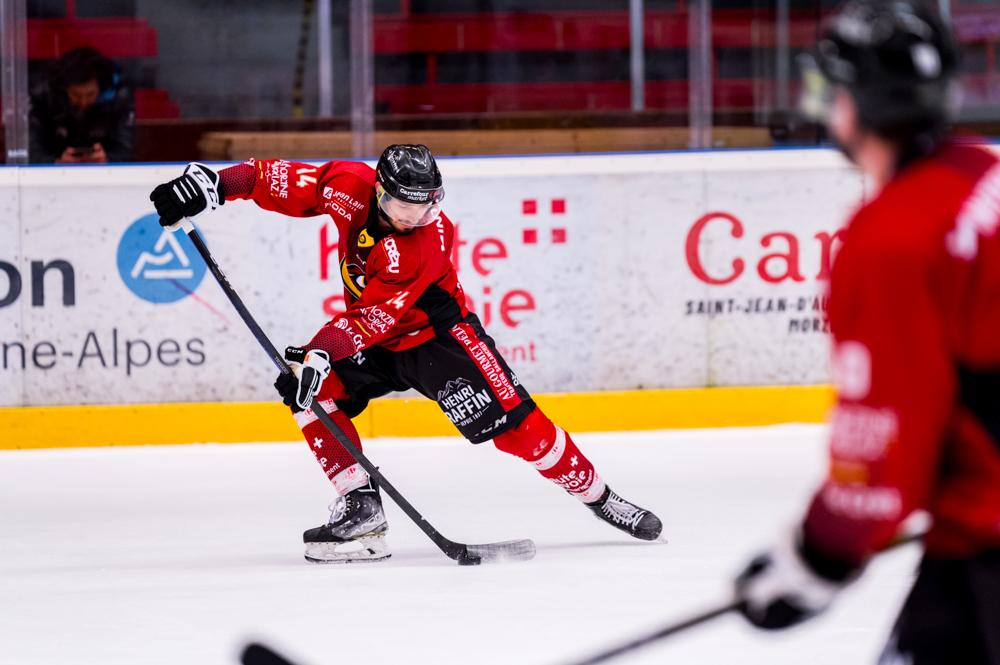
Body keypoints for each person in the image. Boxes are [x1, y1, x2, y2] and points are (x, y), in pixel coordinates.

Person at [148, 144, 663, 563]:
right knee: (309, 391)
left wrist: (320, 352)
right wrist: (213, 186)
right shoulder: (348, 184)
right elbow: (274, 179)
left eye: (425, 206)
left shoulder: (425, 242)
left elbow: (370, 319)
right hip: (375, 340)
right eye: (403, 206)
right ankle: (360, 506)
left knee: (520, 431)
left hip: (437, 340)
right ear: (380, 191)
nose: (415, 216)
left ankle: (600, 497)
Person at [733, 1, 1000, 662]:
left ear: (852, 103)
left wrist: (814, 557)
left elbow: (880, 458)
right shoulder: (986, 173)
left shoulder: (891, 238)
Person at [29, 47, 134, 164]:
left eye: (91, 94)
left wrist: (108, 159)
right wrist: (55, 162)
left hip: (105, 171)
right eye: (76, 95)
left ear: (101, 88)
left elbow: (126, 149)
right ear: (64, 88)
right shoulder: (44, 98)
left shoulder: (118, 98)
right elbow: (32, 150)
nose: (83, 102)